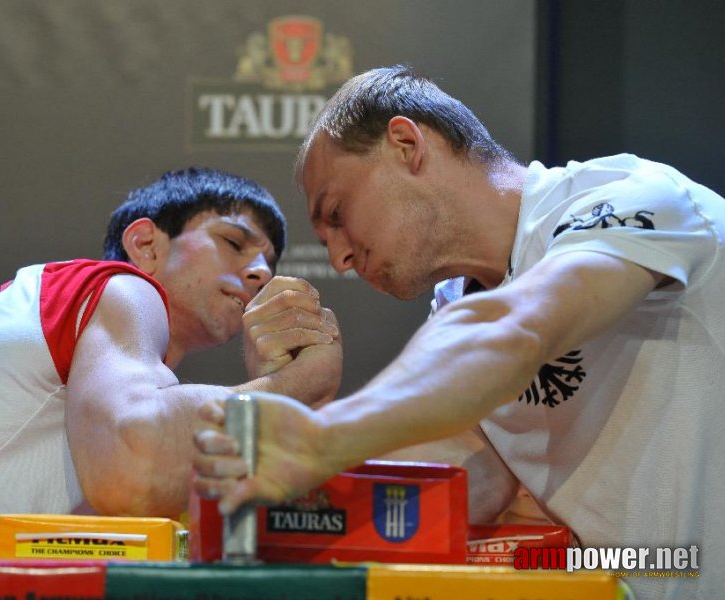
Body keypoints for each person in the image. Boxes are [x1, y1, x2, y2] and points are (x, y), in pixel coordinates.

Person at [193, 66, 724, 599]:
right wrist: (274, 457)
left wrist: (326, 437)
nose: (340, 256)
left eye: (337, 213)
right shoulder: (456, 310)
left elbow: (519, 328)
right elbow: (465, 478)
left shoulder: (629, 196)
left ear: (405, 144)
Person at [0, 167, 343, 599]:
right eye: (233, 242)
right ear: (144, 244)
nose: (258, 271)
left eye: (268, 262)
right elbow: (136, 464)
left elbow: (139, 511)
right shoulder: (120, 289)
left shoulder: (92, 348)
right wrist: (295, 384)